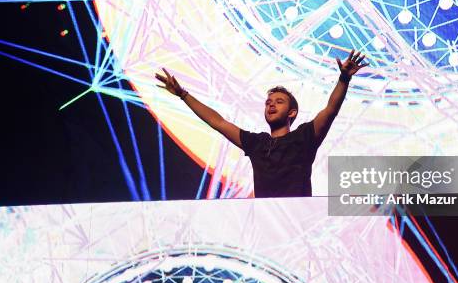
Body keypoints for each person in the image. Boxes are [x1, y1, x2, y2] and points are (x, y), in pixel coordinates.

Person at [155, 50, 368, 198]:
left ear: (292, 112)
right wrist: (183, 94)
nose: (271, 105)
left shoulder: (304, 137)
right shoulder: (256, 143)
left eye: (279, 102)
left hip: (299, 217)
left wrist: (344, 79)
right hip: (267, 219)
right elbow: (217, 121)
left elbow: (330, 109)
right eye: (268, 102)